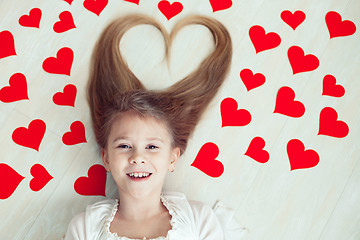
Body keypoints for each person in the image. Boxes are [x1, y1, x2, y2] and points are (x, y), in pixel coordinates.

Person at [64, 14, 245, 240]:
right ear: (106, 158)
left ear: (172, 158)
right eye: (123, 146)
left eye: (151, 147)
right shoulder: (85, 228)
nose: (137, 157)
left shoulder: (199, 219)